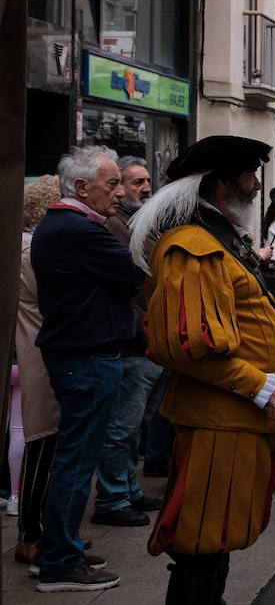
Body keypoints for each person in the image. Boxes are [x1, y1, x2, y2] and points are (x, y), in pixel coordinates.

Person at [131, 135, 275, 603]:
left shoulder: (215, 238)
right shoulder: (192, 247)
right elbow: (188, 344)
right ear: (221, 185)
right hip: (217, 420)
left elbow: (232, 318)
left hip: (233, 417)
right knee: (202, 539)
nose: (257, 185)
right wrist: (257, 382)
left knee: (217, 536)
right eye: (248, 176)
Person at [30, 145, 147, 591]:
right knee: (77, 463)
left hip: (83, 355)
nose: (118, 193)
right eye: (112, 183)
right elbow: (135, 271)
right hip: (87, 357)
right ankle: (60, 561)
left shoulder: (67, 226)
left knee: (74, 460)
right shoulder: (77, 229)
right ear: (82, 188)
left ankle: (61, 548)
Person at [85, 155, 164, 528]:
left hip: (145, 342)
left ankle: (128, 489)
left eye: (147, 181)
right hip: (133, 344)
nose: (145, 188)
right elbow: (125, 288)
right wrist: (144, 327)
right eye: (135, 183)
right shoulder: (114, 226)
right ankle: (113, 498)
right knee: (121, 427)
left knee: (133, 428)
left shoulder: (138, 223)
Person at [13, 176, 63, 573]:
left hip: (37, 354)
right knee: (41, 445)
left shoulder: (28, 247)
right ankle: (31, 536)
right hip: (40, 357)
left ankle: (40, 532)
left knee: (41, 445)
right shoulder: (32, 250)